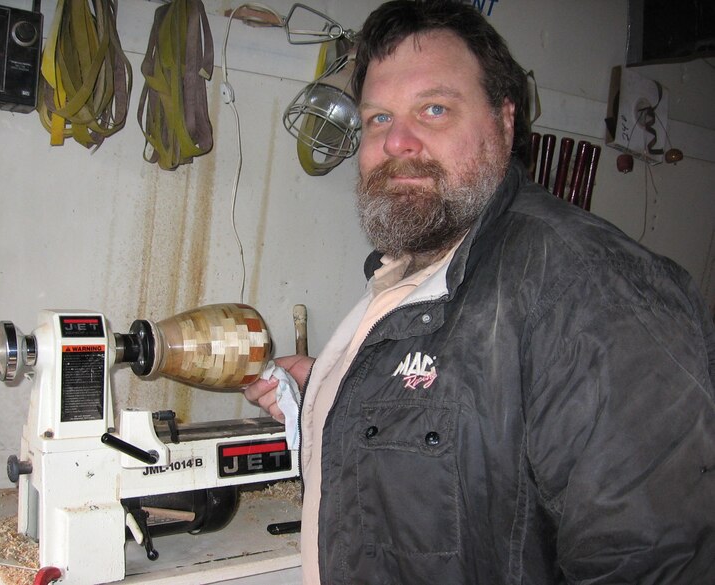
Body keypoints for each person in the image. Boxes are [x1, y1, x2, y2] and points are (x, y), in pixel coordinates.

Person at [245, 1, 715, 583]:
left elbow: (651, 564)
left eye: (434, 109)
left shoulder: (593, 290)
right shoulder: (415, 274)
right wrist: (324, 386)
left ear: (505, 121)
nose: (397, 143)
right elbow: (466, 420)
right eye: (378, 119)